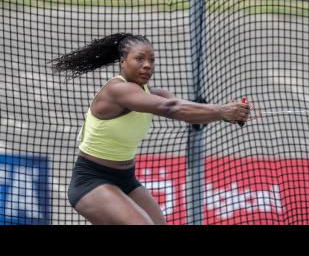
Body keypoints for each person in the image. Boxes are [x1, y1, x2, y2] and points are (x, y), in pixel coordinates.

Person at [50, 33, 250, 225]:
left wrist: (230, 113)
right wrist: (222, 111)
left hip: (126, 179)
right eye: (139, 59)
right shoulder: (117, 90)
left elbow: (188, 113)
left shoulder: (153, 93)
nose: (147, 65)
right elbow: (170, 108)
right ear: (122, 61)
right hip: (91, 181)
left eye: (151, 60)